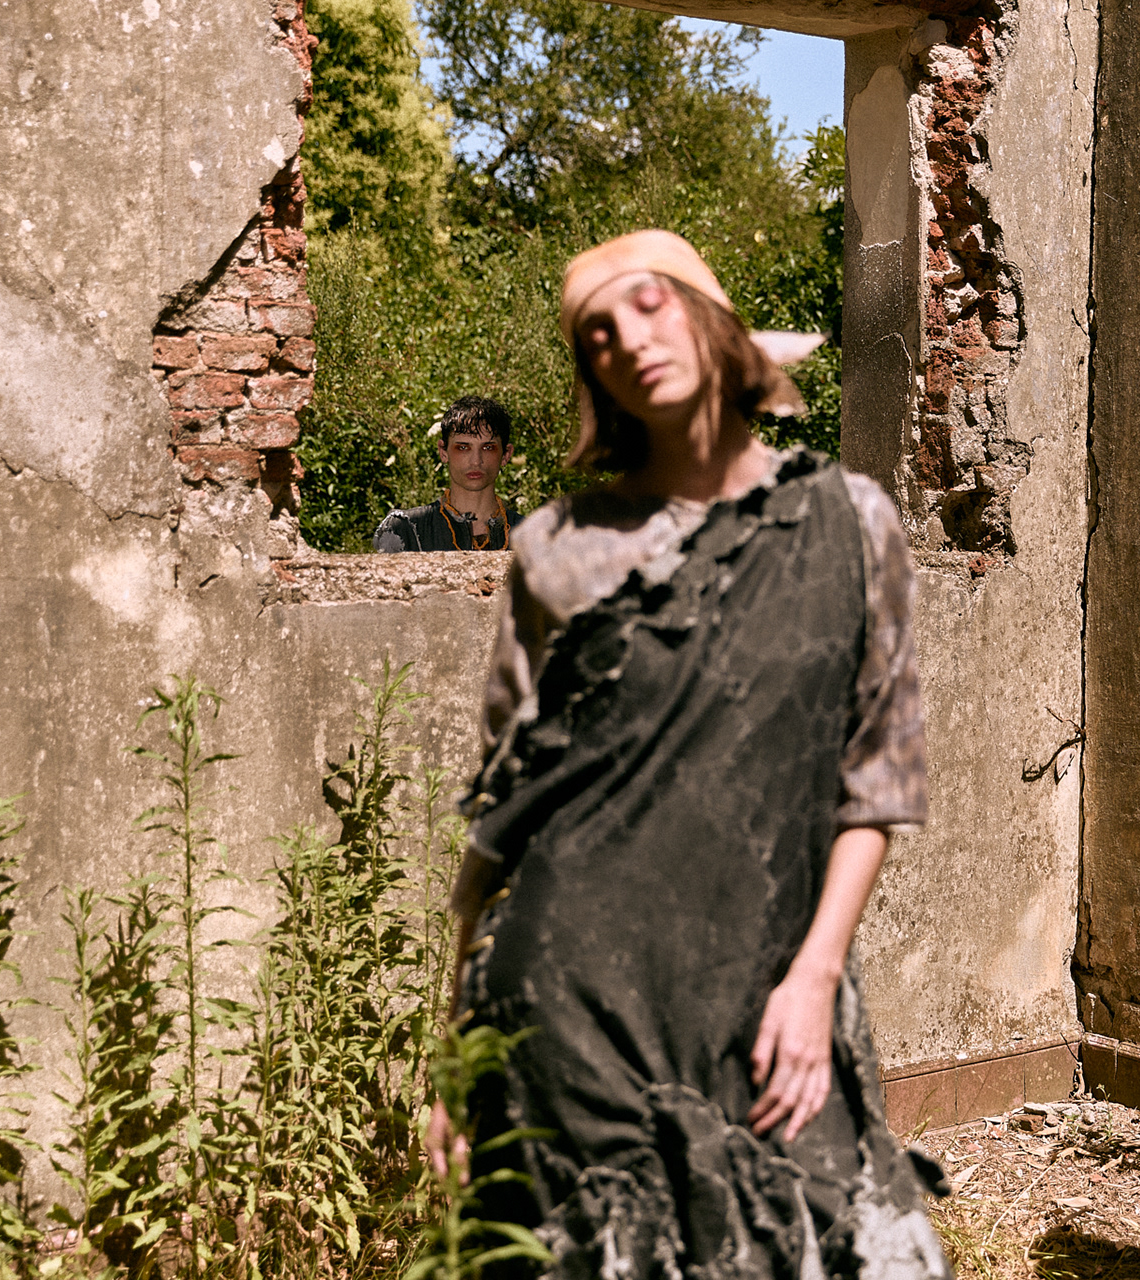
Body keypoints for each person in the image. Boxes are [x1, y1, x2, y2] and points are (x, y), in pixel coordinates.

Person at [425, 230, 949, 1280]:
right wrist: (456, 1047)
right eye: (597, 335)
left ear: (711, 320)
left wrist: (815, 976)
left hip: (766, 990)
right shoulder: (559, 548)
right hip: (570, 1010)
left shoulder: (848, 521)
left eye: (650, 304)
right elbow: (506, 813)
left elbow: (876, 775)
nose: (627, 340)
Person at [373, 396, 523, 551]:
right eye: (463, 448)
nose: (476, 461)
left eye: (488, 448)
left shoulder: (530, 535)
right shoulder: (406, 529)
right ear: (443, 452)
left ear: (506, 454)